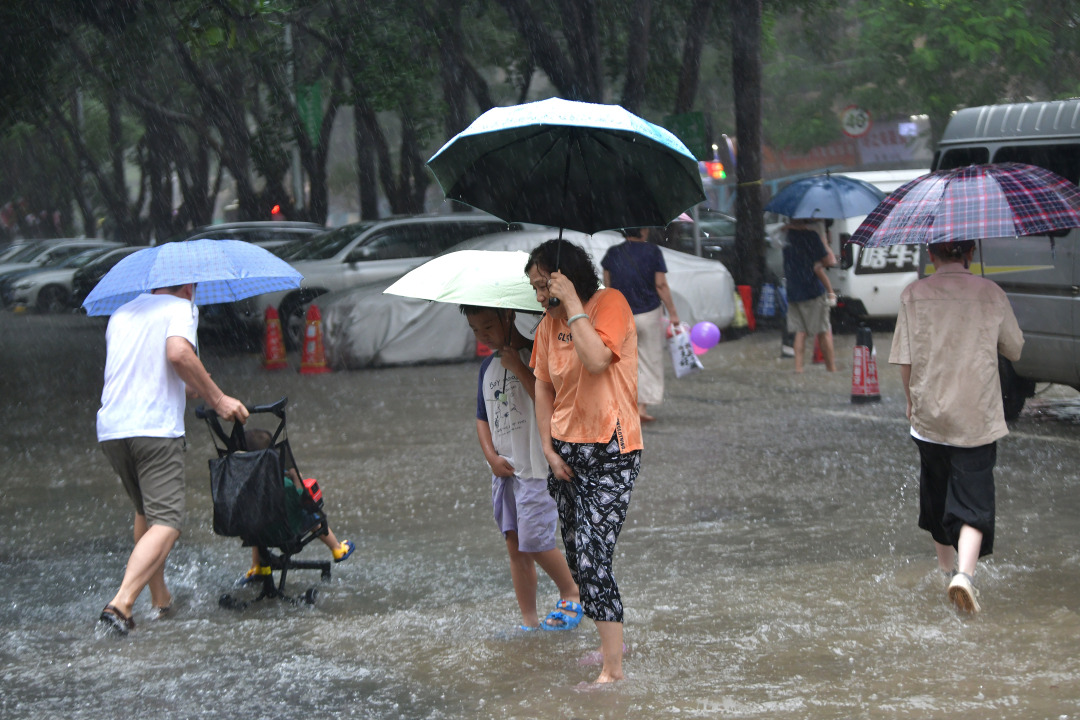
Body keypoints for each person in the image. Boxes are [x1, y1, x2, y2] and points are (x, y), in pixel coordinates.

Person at [96, 283, 249, 635]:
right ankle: (121, 604)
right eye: (196, 287)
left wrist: (196, 383)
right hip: (153, 429)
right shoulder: (180, 308)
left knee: (146, 512)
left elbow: (149, 370)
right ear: (188, 286)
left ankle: (160, 599)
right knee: (167, 521)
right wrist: (219, 399)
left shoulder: (122, 312)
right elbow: (178, 353)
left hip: (113, 429)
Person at [526, 239, 642, 684]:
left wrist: (573, 302)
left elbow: (595, 360)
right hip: (566, 455)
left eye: (546, 285)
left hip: (612, 450)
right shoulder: (546, 325)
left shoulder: (609, 303)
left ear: (567, 277)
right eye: (536, 288)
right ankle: (610, 643)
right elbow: (543, 387)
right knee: (578, 558)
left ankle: (613, 671)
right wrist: (548, 449)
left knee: (594, 558)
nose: (541, 296)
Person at [889, 240, 1024, 613]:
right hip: (975, 416)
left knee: (937, 495)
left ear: (931, 255)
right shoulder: (991, 292)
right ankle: (965, 575)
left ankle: (944, 571)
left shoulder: (913, 294)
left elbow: (904, 360)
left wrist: (911, 402)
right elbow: (1014, 348)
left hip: (929, 416)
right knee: (973, 499)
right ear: (971, 254)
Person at [460, 305, 581, 631]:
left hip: (536, 471)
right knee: (515, 546)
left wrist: (518, 366)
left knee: (536, 541)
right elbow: (482, 419)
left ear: (508, 316)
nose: (483, 336)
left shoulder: (537, 357)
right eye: (475, 330)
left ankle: (572, 591)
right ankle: (529, 621)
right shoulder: (487, 367)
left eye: (488, 327)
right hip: (506, 473)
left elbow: (551, 405)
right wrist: (491, 457)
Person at [238, 428, 354, 585]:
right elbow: (300, 501)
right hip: (287, 530)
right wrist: (297, 480)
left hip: (259, 533)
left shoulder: (245, 483)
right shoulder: (284, 483)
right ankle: (337, 548)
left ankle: (256, 566)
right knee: (311, 514)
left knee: (257, 525)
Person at [601, 227, 681, 422]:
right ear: (643, 231)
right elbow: (660, 284)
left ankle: (621, 406)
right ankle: (641, 407)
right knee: (649, 360)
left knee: (623, 361)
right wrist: (673, 312)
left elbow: (608, 286)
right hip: (649, 313)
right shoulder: (653, 251)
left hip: (621, 314)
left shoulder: (613, 253)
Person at [782, 218, 837, 372]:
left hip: (793, 291)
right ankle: (831, 369)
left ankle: (798, 369)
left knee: (800, 332)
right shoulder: (811, 237)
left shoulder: (787, 237)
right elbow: (828, 260)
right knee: (823, 331)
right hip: (812, 290)